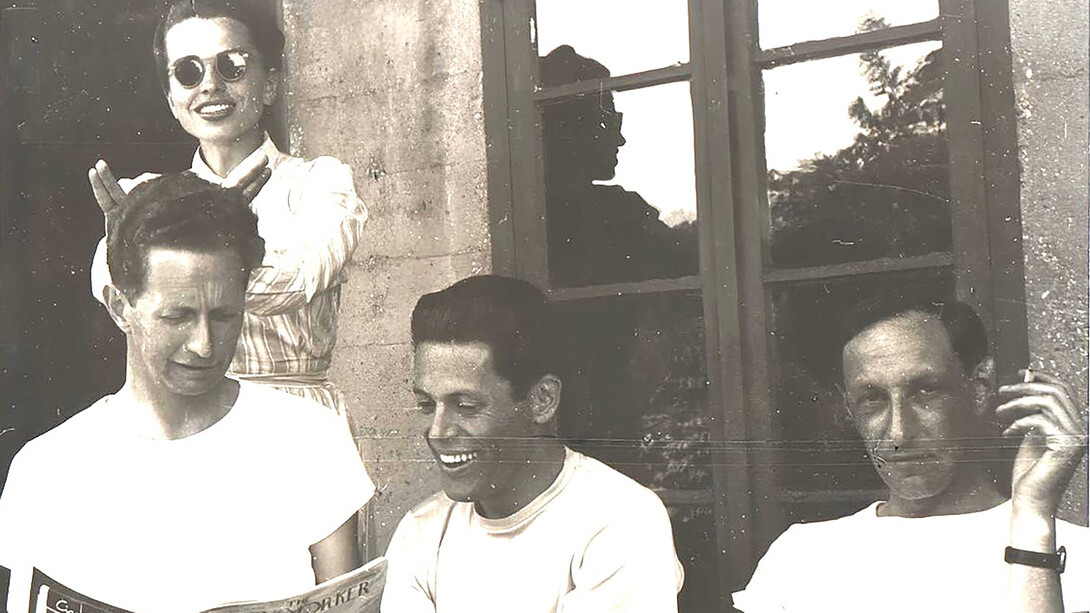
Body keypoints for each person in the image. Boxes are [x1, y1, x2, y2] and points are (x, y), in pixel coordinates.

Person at [0, 174, 375, 613]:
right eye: (177, 316)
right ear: (121, 307)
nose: (204, 344)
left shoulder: (308, 437)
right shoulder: (47, 469)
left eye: (223, 315)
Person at [88, 0, 367, 423]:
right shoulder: (143, 193)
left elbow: (302, 277)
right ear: (170, 98)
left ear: (269, 84)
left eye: (232, 65)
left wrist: (208, 235)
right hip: (187, 418)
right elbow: (112, 288)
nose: (210, 86)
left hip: (295, 419)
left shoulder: (321, 182)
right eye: (188, 72)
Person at [732, 293, 1088, 613]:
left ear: (979, 388)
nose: (899, 432)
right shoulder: (801, 557)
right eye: (872, 399)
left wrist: (1033, 520)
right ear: (849, 408)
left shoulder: (1078, 554)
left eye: (926, 391)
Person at [380, 275, 685, 612]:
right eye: (427, 404)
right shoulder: (421, 532)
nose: (438, 431)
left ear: (542, 400)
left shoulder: (620, 521)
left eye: (465, 406)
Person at [540, 45, 698, 287]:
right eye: (607, 122)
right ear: (569, 131)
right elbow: (687, 257)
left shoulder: (528, 213)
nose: (620, 139)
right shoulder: (617, 213)